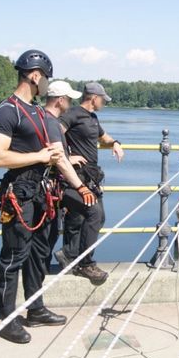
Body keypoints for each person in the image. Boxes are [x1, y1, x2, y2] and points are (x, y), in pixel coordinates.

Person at [0, 50, 95, 344]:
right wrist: (37, 155)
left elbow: (58, 157)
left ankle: (35, 309)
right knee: (14, 255)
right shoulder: (7, 110)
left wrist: (80, 186)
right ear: (35, 76)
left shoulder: (37, 112)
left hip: (43, 194)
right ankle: (7, 318)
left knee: (39, 254)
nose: (47, 83)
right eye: (46, 77)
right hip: (20, 193)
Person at [55, 82, 124, 285]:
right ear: (93, 98)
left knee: (82, 218)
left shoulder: (93, 118)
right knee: (95, 215)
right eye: (103, 99)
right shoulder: (73, 114)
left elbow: (103, 138)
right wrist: (67, 157)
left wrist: (115, 143)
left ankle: (69, 256)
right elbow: (54, 132)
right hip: (74, 177)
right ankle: (85, 263)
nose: (104, 102)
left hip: (91, 178)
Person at [40, 80, 85, 271]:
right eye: (68, 99)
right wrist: (80, 187)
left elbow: (56, 153)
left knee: (46, 239)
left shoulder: (41, 117)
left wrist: (68, 157)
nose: (71, 104)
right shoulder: (51, 122)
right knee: (44, 241)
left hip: (49, 188)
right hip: (46, 189)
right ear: (60, 100)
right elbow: (57, 157)